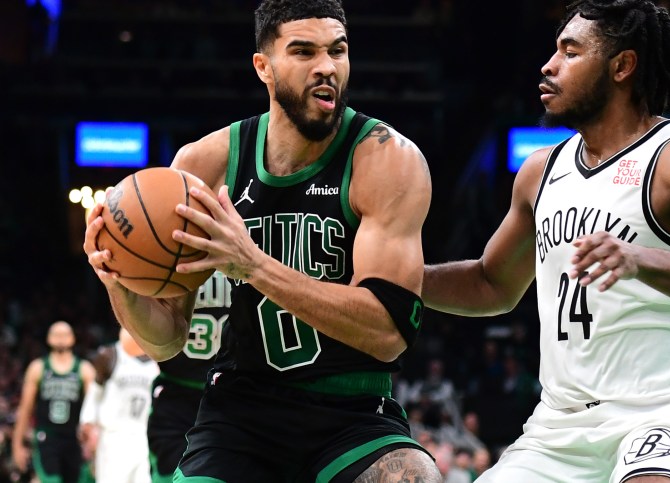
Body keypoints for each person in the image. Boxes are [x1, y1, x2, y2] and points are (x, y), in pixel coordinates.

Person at [82, 1, 440, 482]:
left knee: (413, 477)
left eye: (338, 50)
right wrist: (119, 279)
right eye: (303, 51)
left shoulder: (386, 160)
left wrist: (252, 264)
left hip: (353, 411)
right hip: (239, 413)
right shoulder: (202, 165)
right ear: (263, 67)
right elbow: (165, 340)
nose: (326, 67)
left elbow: (388, 334)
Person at [422, 1, 670, 482]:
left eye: (571, 51)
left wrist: (641, 260)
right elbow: (491, 285)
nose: (549, 65)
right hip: (559, 427)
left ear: (622, 66)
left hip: (669, 413)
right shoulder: (538, 173)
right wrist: (399, 278)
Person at [146, 271, 230, 483]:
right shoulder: (170, 247)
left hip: (235, 392)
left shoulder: (256, 245)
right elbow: (132, 343)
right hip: (178, 394)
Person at [12, 321, 95, 483]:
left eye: (64, 334)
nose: (60, 338)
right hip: (47, 437)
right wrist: (17, 444)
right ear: (48, 339)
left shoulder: (85, 369)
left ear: (73, 339)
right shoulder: (38, 368)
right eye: (56, 334)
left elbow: (94, 409)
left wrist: (93, 444)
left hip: (74, 438)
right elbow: (25, 409)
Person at [79, 328, 159, 483]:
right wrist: (88, 423)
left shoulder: (159, 360)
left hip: (145, 436)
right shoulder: (110, 354)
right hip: (114, 436)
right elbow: (95, 393)